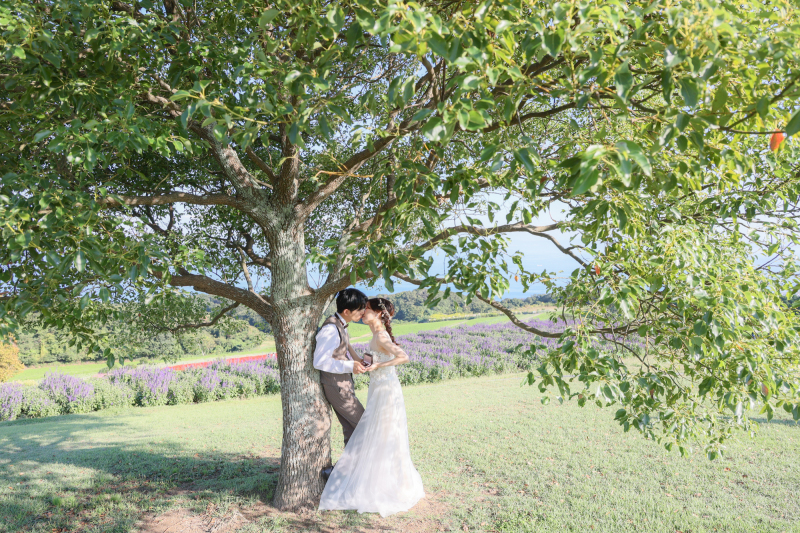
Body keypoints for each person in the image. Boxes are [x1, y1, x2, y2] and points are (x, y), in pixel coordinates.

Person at [318, 297, 425, 517]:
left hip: (386, 391)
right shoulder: (375, 335)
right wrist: (349, 347)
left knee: (377, 433)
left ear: (377, 313)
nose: (363, 312)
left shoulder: (382, 336)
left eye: (366, 309)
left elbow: (403, 357)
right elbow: (365, 360)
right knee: (375, 432)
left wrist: (379, 365)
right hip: (377, 388)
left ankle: (361, 477)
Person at [314, 288, 369, 460]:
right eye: (360, 309)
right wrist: (350, 366)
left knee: (352, 431)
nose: (363, 312)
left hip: (341, 385)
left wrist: (356, 360)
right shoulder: (331, 329)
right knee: (365, 425)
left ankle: (349, 471)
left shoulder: (341, 325)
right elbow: (320, 361)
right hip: (336, 387)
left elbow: (343, 347)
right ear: (347, 311)